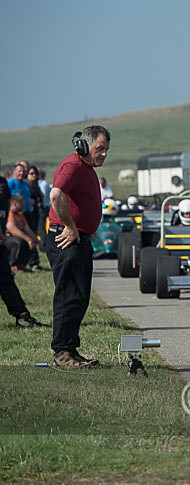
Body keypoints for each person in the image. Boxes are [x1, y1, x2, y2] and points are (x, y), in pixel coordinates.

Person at [46, 125, 110, 368]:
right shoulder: (72, 165)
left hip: (79, 239)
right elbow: (56, 195)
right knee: (69, 296)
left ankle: (70, 349)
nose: (104, 154)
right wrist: (71, 226)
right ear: (84, 146)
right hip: (67, 238)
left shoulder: (86, 168)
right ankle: (62, 352)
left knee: (79, 297)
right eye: (100, 148)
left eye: (106, 149)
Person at [6, 194, 43, 271]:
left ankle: (32, 264)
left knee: (31, 240)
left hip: (16, 236)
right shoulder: (9, 213)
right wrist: (28, 239)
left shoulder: (20, 215)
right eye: (22, 204)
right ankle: (14, 265)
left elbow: (28, 230)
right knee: (19, 242)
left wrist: (37, 242)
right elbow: (12, 229)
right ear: (15, 204)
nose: (23, 206)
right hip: (7, 237)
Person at [37, 168, 51, 239]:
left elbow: (43, 196)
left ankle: (43, 241)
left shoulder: (43, 184)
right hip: (44, 207)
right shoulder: (42, 183)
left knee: (41, 226)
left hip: (43, 207)